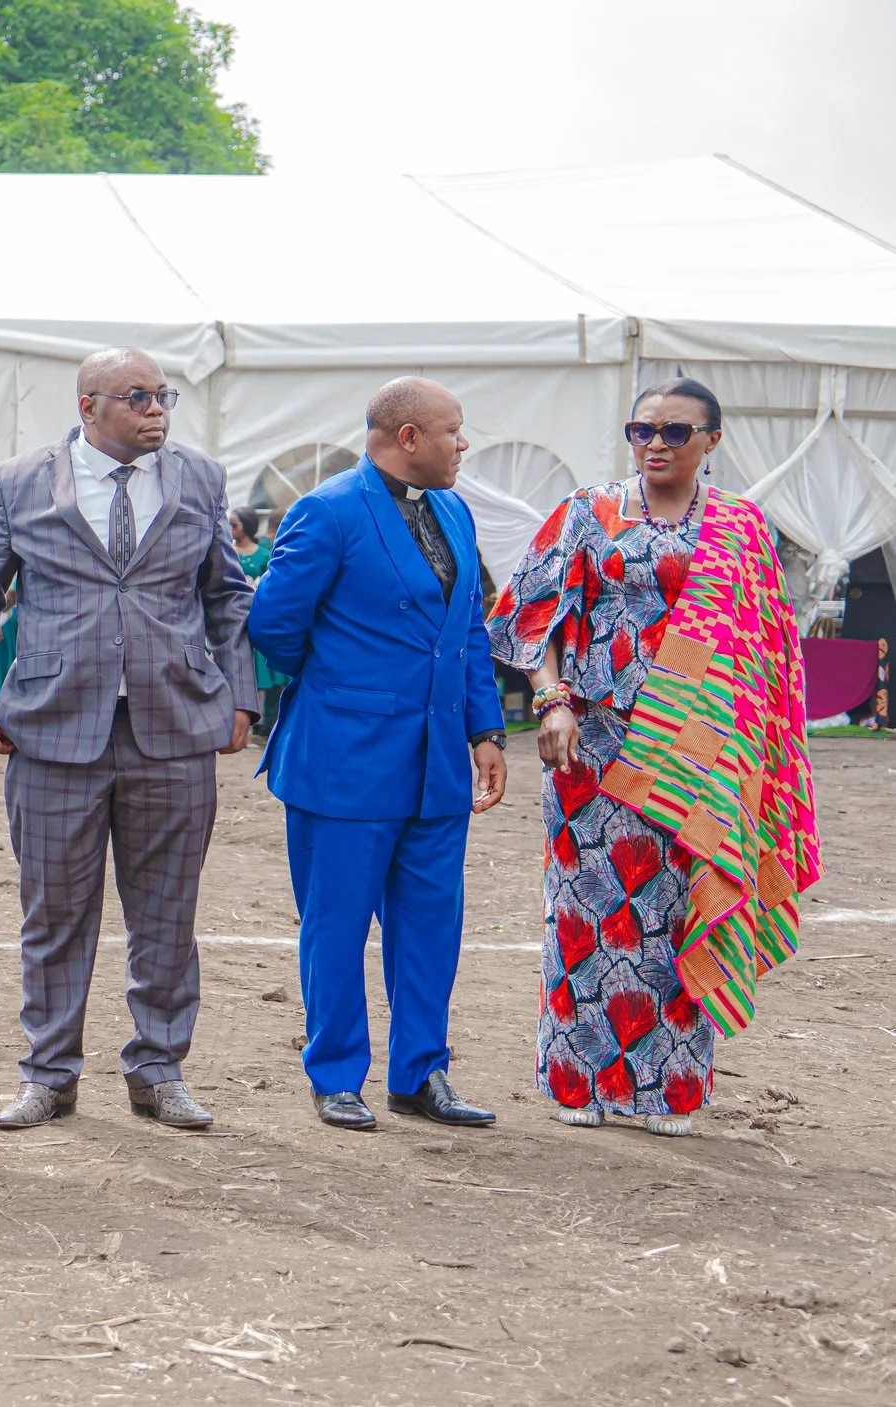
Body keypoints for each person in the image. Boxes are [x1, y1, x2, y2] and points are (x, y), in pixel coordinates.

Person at [486, 378, 817, 1137]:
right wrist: (552, 699)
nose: (656, 443)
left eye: (674, 430)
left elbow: (769, 653)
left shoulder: (742, 529)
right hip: (595, 749)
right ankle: (580, 1081)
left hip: (702, 755)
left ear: (713, 441)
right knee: (588, 913)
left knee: (679, 909)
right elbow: (529, 614)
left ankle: (671, 1089)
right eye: (642, 430)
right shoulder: (588, 512)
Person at [0, 347, 257, 1134]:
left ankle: (159, 1069)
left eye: (164, 396)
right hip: (52, 731)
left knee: (167, 914)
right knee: (54, 914)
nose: (158, 410)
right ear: (89, 405)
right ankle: (49, 1073)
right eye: (139, 397)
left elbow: (227, 597)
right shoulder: (21, 481)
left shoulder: (199, 478)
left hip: (177, 727)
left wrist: (240, 697)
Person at [249, 377, 506, 1132]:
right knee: (336, 924)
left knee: (432, 922)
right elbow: (274, 625)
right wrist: (342, 687)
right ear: (408, 438)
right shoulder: (326, 511)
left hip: (436, 765)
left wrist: (484, 732)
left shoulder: (455, 511)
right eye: (453, 432)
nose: (464, 445)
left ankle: (421, 1074)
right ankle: (336, 1075)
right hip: (344, 759)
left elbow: (467, 634)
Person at [229, 507, 288, 737]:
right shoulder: (225, 552)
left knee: (269, 671)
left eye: (235, 524)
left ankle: (269, 719)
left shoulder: (264, 555)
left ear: (248, 525)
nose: (231, 529)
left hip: (259, 619)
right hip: (233, 622)